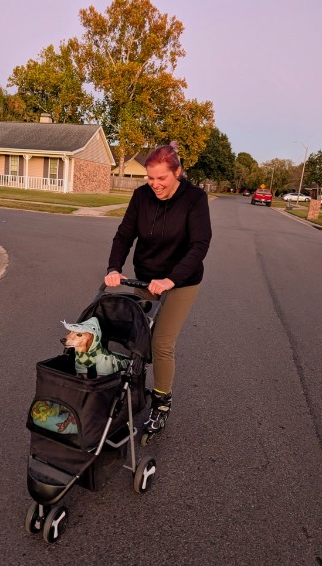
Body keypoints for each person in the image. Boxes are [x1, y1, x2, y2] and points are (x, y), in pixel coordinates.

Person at [104, 142, 212, 434]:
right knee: (138, 341)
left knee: (161, 343)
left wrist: (170, 280)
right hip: (146, 278)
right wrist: (114, 268)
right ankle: (133, 395)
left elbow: (199, 245)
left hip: (181, 282)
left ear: (177, 172)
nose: (155, 184)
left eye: (161, 178)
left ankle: (162, 403)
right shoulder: (141, 196)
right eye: (150, 178)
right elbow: (124, 235)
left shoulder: (195, 199)